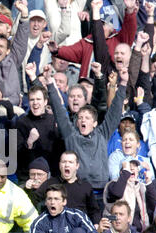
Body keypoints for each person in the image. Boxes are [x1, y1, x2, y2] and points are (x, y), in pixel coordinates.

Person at [45, 64, 128, 211]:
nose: (83, 120)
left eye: (87, 118)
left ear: (95, 123)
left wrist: (123, 84)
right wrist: (50, 83)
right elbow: (59, 110)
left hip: (101, 192)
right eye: (81, 118)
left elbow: (114, 112)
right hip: (77, 191)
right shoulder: (71, 135)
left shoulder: (102, 133)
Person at [31, 151, 100, 224]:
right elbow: (32, 201)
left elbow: (94, 210)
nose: (67, 165)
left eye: (70, 162)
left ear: (77, 166)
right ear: (59, 165)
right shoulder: (50, 183)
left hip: (79, 227)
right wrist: (29, 189)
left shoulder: (85, 186)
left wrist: (96, 224)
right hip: (55, 226)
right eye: (64, 162)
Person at [15, 85, 62, 181]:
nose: (35, 103)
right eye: (32, 100)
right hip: (28, 176)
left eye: (38, 99)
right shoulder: (20, 122)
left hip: (51, 176)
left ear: (45, 102)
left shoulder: (54, 121)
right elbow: (14, 154)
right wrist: (29, 143)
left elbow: (59, 152)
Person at [103, 159, 150, 233]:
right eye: (129, 167)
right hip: (116, 232)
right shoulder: (113, 185)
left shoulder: (141, 187)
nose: (132, 169)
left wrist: (149, 183)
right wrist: (125, 172)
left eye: (135, 166)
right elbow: (117, 193)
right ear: (122, 172)